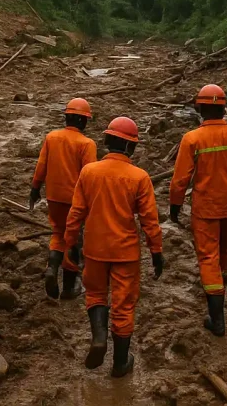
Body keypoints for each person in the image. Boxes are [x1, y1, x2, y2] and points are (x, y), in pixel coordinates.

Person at [65, 117, 163, 378]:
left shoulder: (89, 172)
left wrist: (70, 242)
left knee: (96, 294)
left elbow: (76, 213)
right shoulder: (140, 177)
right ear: (131, 147)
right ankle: (120, 363)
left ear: (107, 141)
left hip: (95, 249)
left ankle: (99, 337)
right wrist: (156, 252)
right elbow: (150, 221)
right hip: (125, 252)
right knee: (123, 306)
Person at [169, 84, 227, 337]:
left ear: (200, 109)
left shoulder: (192, 139)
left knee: (208, 258)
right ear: (223, 108)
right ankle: (220, 288)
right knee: (226, 252)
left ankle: (217, 318)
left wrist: (175, 206)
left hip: (206, 210)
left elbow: (180, 180)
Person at [30, 98, 98, 300]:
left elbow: (41, 166)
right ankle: (69, 287)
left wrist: (35, 189)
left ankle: (52, 266)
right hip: (75, 201)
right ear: (83, 121)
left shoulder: (52, 137)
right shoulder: (87, 144)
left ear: (66, 117)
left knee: (58, 233)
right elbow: (90, 176)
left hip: (53, 197)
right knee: (73, 240)